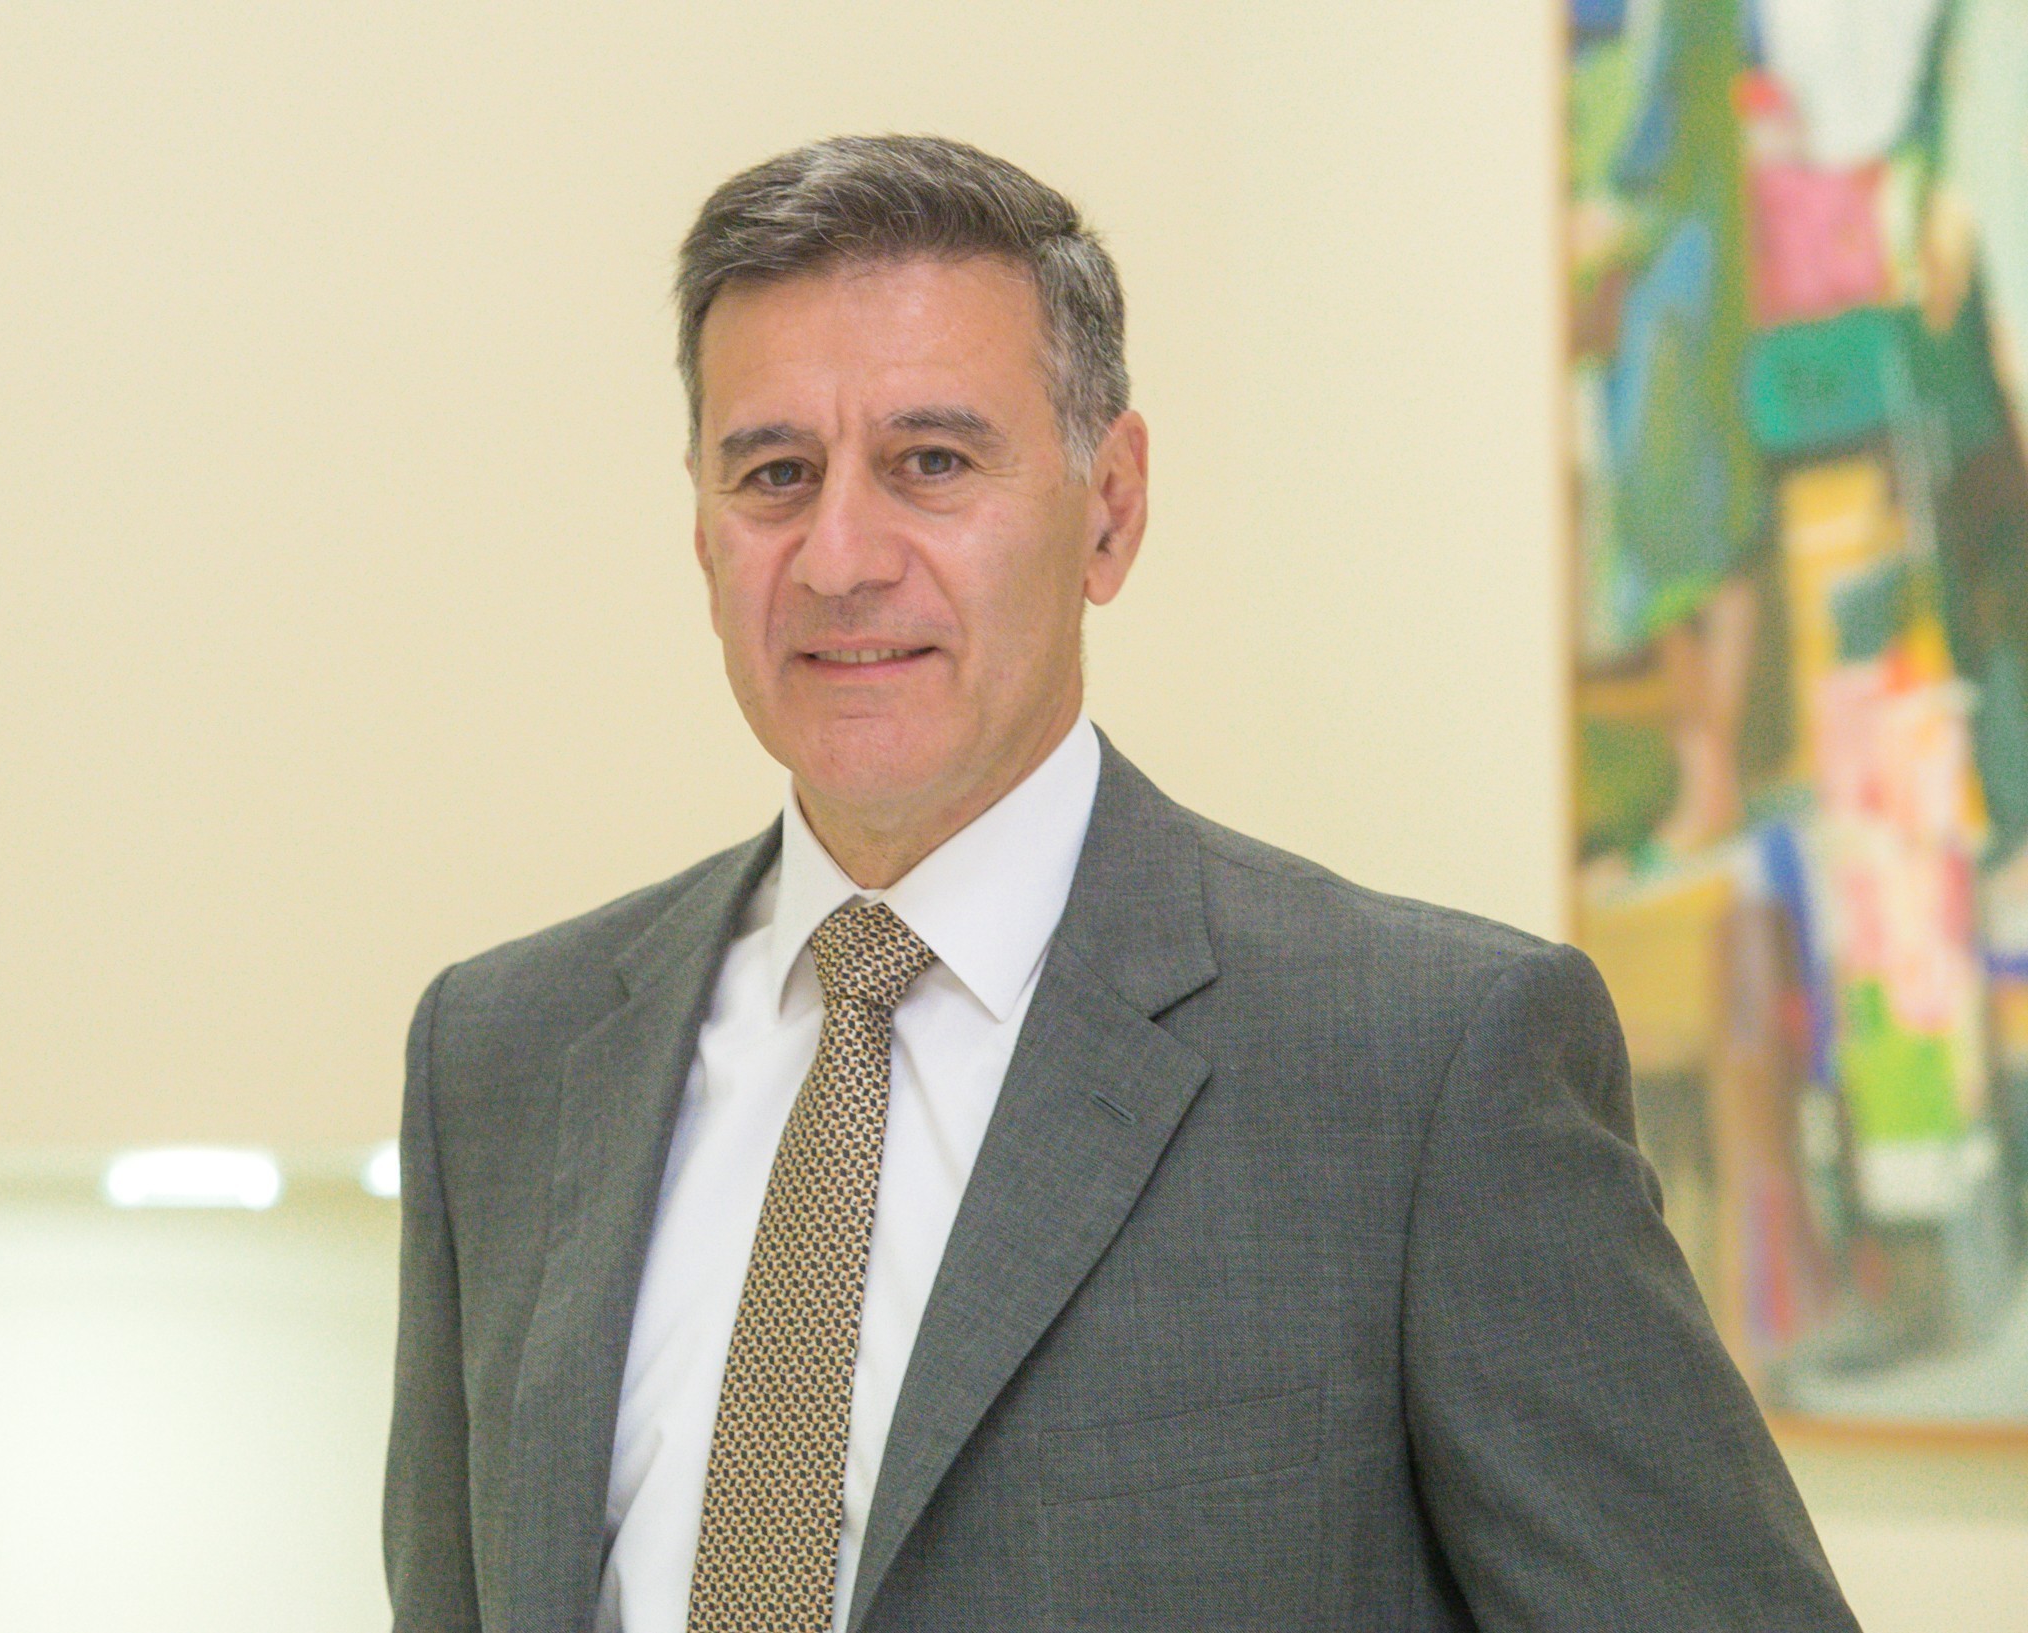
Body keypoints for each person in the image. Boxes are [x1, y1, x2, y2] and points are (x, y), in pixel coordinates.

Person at [383, 134, 1858, 1633]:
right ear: (704, 535)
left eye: (931, 463)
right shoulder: (500, 1060)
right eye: (775, 476)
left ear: (1111, 507)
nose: (839, 557)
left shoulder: (1423, 1071)